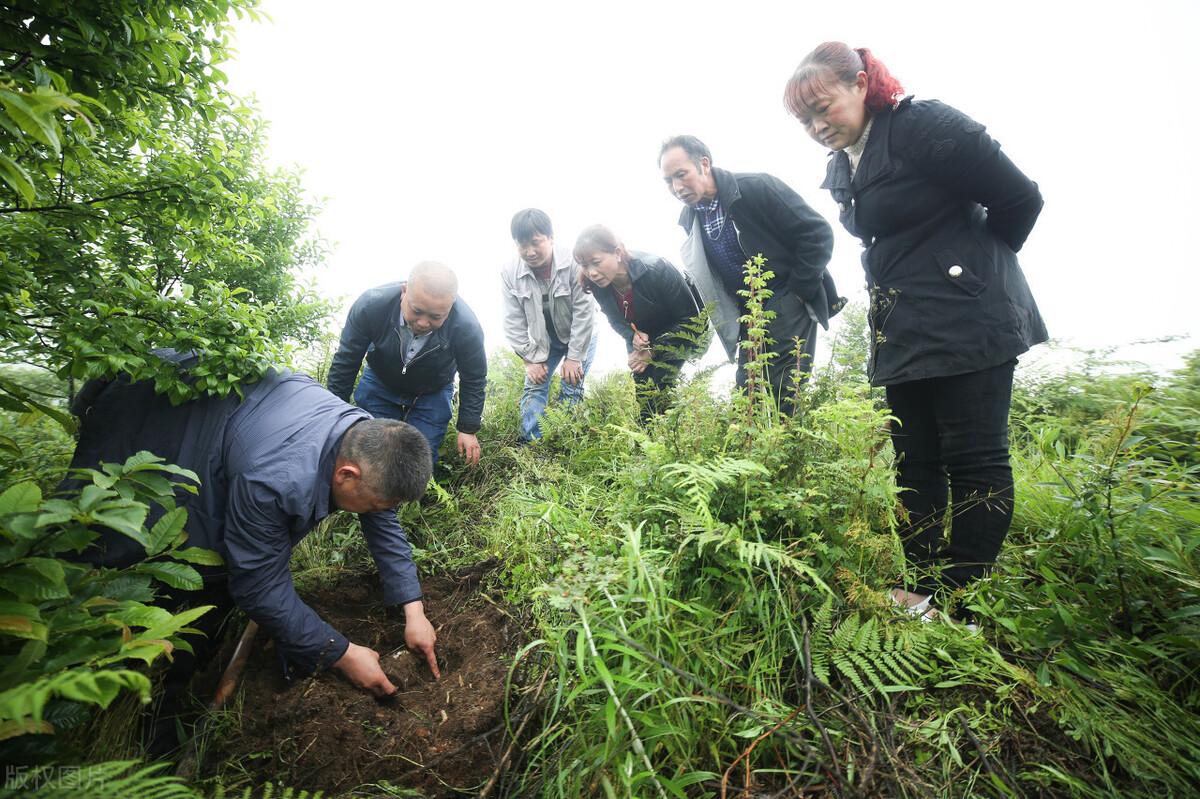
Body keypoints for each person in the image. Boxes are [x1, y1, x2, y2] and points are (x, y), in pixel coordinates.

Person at [783, 42, 1048, 619]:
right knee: (915, 461)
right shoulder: (844, 164)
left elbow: (1019, 198)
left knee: (975, 460)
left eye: (823, 107)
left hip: (968, 318)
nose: (816, 125)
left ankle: (961, 606)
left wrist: (975, 271)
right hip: (903, 328)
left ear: (860, 83)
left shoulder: (923, 125)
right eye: (804, 119)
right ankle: (919, 590)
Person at [66, 350, 441, 698]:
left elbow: (382, 516)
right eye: (374, 504)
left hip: (214, 423)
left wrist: (414, 610)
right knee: (135, 562)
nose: (376, 512)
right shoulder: (275, 480)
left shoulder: (365, 437)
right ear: (346, 475)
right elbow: (257, 584)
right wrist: (340, 654)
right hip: (144, 426)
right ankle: (133, 686)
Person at [658, 135, 842, 411]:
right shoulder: (692, 220)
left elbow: (817, 233)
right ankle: (762, 452)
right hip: (748, 315)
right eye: (669, 180)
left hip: (786, 296)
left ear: (704, 164)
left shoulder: (755, 188)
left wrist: (798, 291)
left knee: (781, 391)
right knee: (748, 392)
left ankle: (787, 450)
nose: (677, 187)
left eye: (681, 174)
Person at [328, 262, 486, 467]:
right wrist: (333, 413)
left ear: (450, 306)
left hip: (432, 392)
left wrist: (468, 428)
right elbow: (347, 359)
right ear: (404, 291)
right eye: (417, 310)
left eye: (435, 317)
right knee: (369, 456)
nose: (422, 322)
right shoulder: (372, 306)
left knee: (420, 460)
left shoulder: (466, 327)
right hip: (380, 382)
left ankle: (412, 500)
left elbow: (473, 377)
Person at [573, 225, 705, 419]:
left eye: (596, 262)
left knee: (662, 387)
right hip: (642, 337)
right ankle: (652, 443)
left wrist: (653, 350)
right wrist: (632, 335)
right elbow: (616, 321)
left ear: (617, 253)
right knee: (644, 395)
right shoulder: (598, 283)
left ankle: (673, 437)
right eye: (585, 265)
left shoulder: (657, 269)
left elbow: (693, 321)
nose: (591, 272)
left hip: (679, 331)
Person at [501, 208, 598, 441]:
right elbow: (512, 321)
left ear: (551, 238)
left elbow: (585, 313)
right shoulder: (510, 273)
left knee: (571, 384)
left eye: (536, 243)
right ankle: (532, 448)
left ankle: (566, 443)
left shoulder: (574, 263)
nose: (529, 252)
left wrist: (574, 357)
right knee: (534, 386)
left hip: (580, 336)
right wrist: (529, 359)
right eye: (522, 245)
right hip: (543, 341)